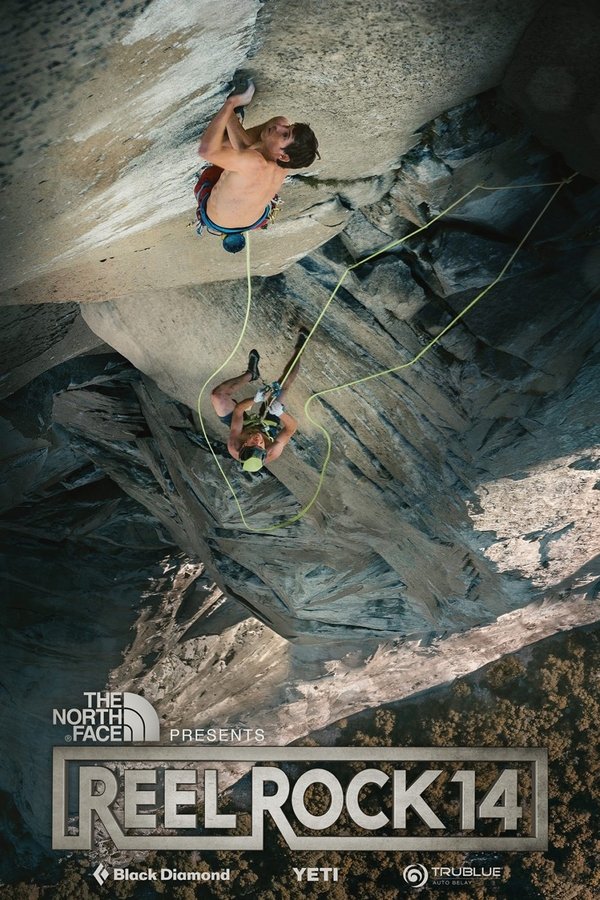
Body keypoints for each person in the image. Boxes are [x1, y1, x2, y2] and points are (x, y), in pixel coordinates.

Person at [195, 77, 319, 251]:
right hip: (256, 219)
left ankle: (229, 121)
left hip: (216, 220)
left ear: (283, 156)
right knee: (278, 120)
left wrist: (230, 103)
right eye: (288, 129)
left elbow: (206, 150)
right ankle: (231, 122)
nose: (280, 128)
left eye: (285, 135)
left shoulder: (254, 162)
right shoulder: (286, 163)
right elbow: (252, 150)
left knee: (214, 168)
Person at [211, 328, 309, 471]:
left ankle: (251, 374)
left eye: (252, 443)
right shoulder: (272, 450)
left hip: (243, 426)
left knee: (217, 396)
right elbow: (291, 428)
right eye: (260, 446)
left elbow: (238, 411)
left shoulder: (234, 445)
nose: (258, 440)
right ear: (264, 452)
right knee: (283, 388)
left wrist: (255, 399)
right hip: (268, 427)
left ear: (244, 445)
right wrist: (280, 413)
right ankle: (299, 348)